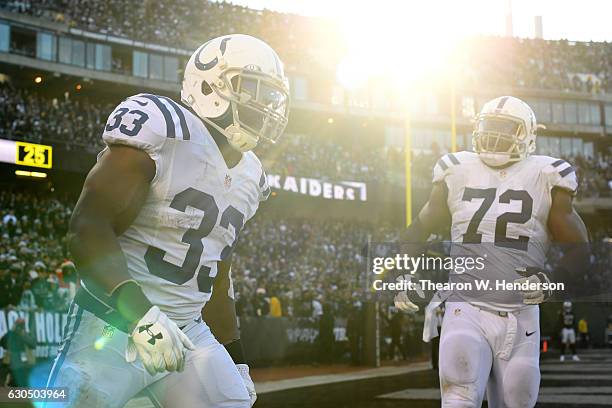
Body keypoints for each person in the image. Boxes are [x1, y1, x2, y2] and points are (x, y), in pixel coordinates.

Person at [46, 34, 290, 407]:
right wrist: (140, 315)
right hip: (111, 325)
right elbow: (87, 226)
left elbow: (216, 272)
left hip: (188, 331)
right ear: (212, 85)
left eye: (269, 96)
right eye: (252, 90)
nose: (263, 106)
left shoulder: (250, 176)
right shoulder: (164, 127)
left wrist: (236, 355)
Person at [394, 96, 589, 407]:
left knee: (516, 402)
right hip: (466, 308)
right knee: (458, 396)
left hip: (521, 314)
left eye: (506, 128)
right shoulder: (457, 170)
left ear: (527, 134)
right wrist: (405, 273)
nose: (495, 135)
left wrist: (550, 280)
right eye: (490, 127)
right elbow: (416, 230)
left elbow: (580, 251)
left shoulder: (546, 175)